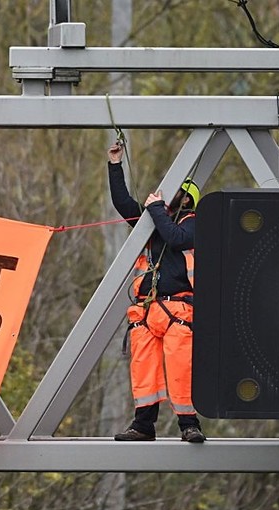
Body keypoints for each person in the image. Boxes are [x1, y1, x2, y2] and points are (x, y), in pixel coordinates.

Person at [107, 142, 206, 443]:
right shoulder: (153, 224)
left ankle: (189, 424)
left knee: (180, 368)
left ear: (187, 199)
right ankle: (143, 424)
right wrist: (115, 165)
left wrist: (154, 210)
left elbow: (176, 238)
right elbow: (123, 203)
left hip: (179, 311)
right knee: (144, 370)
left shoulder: (195, 224)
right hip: (148, 312)